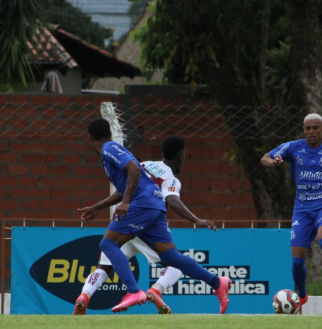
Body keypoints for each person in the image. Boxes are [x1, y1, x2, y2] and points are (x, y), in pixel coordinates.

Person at [80, 119, 231, 313]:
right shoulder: (163, 174)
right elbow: (132, 185)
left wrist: (125, 203)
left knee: (108, 245)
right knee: (171, 257)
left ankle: (134, 291)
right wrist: (98, 206)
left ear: (90, 138)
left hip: (140, 208)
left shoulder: (136, 160)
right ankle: (217, 282)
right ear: (182, 157)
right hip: (152, 207)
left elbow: (147, 183)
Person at [261, 113, 322, 312]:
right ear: (303, 129)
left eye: (315, 128)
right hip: (302, 209)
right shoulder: (292, 147)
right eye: (308, 128)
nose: (311, 132)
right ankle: (303, 294)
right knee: (297, 263)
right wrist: (273, 162)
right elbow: (264, 157)